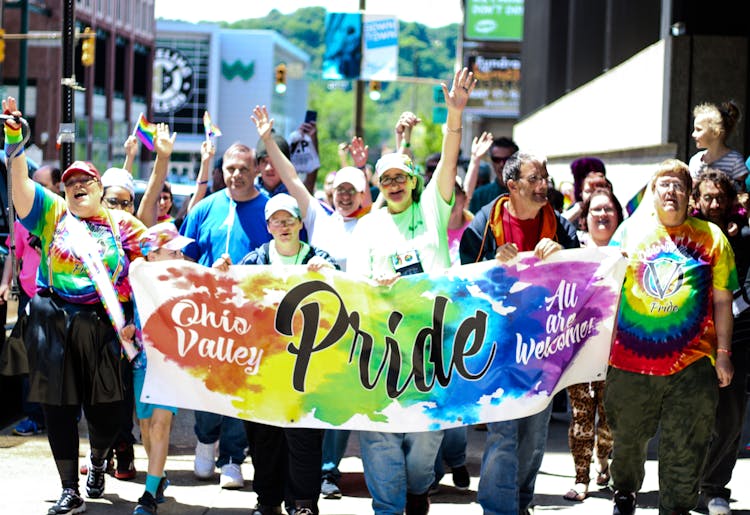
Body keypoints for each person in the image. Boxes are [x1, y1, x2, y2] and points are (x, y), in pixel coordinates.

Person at [3, 96, 147, 514]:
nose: (77, 185)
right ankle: (70, 487)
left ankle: (98, 459)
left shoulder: (123, 225)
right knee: (58, 408)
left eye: (86, 180)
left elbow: (161, 260)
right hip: (55, 325)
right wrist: (15, 143)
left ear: (101, 189)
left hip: (106, 329)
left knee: (107, 415)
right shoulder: (53, 214)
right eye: (70, 182)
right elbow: (21, 190)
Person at [348, 67, 475, 515]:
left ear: (413, 181)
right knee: (379, 431)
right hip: (382, 346)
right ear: (379, 186)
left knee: (427, 434)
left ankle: (418, 488)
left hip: (434, 344)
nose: (395, 184)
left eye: (402, 176)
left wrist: (453, 114)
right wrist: (374, 284)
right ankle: (387, 507)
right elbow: (354, 285)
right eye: (386, 180)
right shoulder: (367, 227)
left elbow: (448, 160)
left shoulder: (432, 211)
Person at [250, 105, 370, 498]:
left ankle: (321, 480)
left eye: (354, 190)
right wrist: (268, 139)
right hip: (292, 345)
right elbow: (290, 178)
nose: (347, 196)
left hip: (350, 330)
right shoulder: (318, 217)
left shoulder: (374, 223)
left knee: (335, 409)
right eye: (341, 190)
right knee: (283, 427)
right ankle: (314, 480)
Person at [604, 159, 736, 515]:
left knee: (686, 446)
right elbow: (598, 281)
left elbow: (723, 301)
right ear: (653, 191)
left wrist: (723, 353)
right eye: (665, 183)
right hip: (631, 361)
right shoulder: (629, 233)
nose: (671, 191)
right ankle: (625, 491)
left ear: (689, 194)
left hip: (692, 364)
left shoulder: (712, 238)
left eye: (679, 185)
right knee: (628, 440)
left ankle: (675, 508)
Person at [459, 151, 580, 515]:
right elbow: (463, 279)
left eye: (545, 177)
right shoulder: (485, 223)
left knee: (533, 434)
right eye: (534, 179)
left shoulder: (559, 226)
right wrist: (491, 262)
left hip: (544, 346)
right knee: (503, 431)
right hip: (498, 346)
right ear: (512, 186)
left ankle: (522, 503)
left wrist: (561, 255)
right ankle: (498, 509)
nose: (544, 185)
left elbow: (582, 276)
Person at [214, 193, 337, 515]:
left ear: (300, 223)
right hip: (264, 369)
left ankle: (303, 503)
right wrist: (222, 272)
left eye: (289, 219)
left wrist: (330, 271)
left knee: (305, 437)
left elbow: (343, 295)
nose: (283, 226)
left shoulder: (318, 257)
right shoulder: (255, 261)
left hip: (306, 368)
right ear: (268, 226)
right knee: (264, 437)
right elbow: (230, 296)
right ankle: (267, 501)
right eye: (276, 221)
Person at [180, 141, 272, 489]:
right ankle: (205, 440)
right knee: (207, 385)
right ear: (222, 171)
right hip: (208, 319)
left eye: (243, 169)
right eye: (231, 168)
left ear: (255, 171)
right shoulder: (204, 208)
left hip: (252, 319)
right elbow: (185, 259)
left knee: (240, 388)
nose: (236, 175)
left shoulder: (267, 209)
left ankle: (233, 457)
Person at [122, 222, 193, 515]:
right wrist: (128, 327)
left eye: (180, 251)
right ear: (153, 255)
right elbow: (130, 309)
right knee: (146, 426)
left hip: (170, 364)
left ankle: (149, 493)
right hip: (141, 362)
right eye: (172, 250)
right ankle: (158, 477)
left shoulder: (188, 279)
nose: (180, 256)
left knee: (161, 425)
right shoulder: (138, 275)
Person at [692, 170, 750, 515]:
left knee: (729, 419)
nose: (714, 204)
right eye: (707, 197)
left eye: (720, 198)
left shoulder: (742, 233)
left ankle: (714, 486)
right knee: (693, 415)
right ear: (697, 200)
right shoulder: (689, 232)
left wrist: (733, 308)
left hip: (739, 337)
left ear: (730, 200)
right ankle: (689, 481)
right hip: (692, 339)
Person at [562, 187, 623, 502]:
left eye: (609, 210)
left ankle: (605, 461)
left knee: (611, 415)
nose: (603, 215)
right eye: (596, 210)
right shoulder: (572, 251)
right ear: (584, 219)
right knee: (581, 416)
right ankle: (581, 477)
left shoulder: (629, 252)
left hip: (619, 350)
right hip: (580, 348)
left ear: (618, 217)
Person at [1, 165, 61, 436]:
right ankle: (34, 417)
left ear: (57, 187)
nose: (34, 189)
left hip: (59, 296)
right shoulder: (22, 219)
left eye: (42, 184)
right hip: (29, 295)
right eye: (31, 183)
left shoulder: (64, 216)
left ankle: (63, 414)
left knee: (59, 358)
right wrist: (5, 282)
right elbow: (14, 254)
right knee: (29, 358)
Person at [689, 101, 749, 191]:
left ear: (715, 133)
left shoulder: (735, 161)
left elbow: (741, 195)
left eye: (698, 130)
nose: (693, 134)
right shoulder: (695, 161)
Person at [468, 137, 519, 214]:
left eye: (507, 159)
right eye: (496, 159)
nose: (502, 164)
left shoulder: (526, 192)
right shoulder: (479, 195)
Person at [562, 156, 607, 225]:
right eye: (588, 191)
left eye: (597, 191)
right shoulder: (575, 211)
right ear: (581, 192)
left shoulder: (610, 208)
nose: (592, 195)